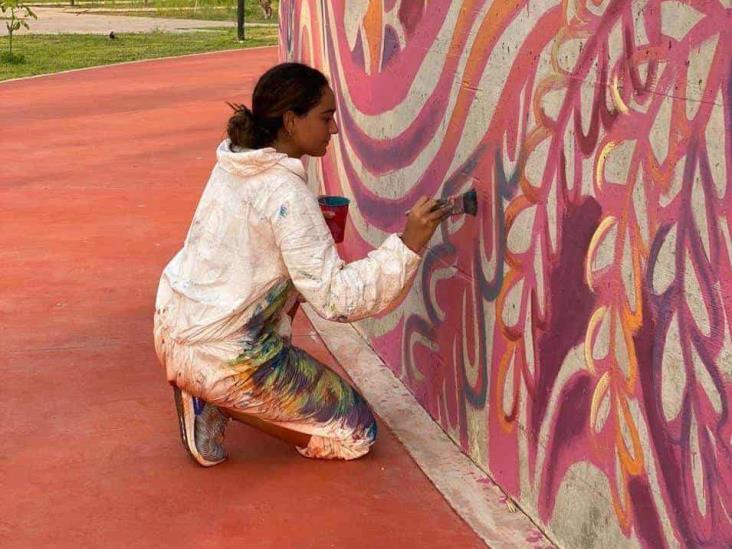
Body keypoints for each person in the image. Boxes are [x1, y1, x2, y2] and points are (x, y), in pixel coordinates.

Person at [153, 62, 450, 465]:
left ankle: (209, 385)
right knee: (355, 433)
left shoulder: (237, 161)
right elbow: (336, 300)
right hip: (223, 352)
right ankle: (217, 400)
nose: (334, 129)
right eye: (326, 117)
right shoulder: (286, 193)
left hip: (175, 321)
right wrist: (408, 245)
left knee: (286, 298)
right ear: (291, 121)